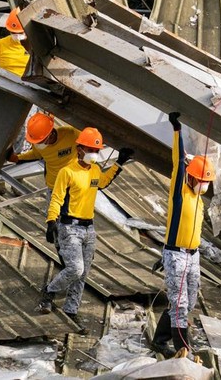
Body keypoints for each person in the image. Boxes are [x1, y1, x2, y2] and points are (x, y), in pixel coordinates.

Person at [37, 127, 133, 329]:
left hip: (89, 228)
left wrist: (119, 163)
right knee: (75, 268)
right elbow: (56, 198)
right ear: (79, 149)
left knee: (83, 273)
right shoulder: (67, 172)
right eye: (90, 149)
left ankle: (71, 309)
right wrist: (51, 221)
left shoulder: (95, 170)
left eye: (96, 150)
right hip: (69, 227)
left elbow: (103, 183)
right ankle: (50, 291)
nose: (94, 154)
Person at [150, 112, 215, 358]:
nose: (203, 185)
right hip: (177, 256)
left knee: (190, 300)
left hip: (192, 256)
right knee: (179, 304)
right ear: (190, 177)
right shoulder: (180, 195)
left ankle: (160, 338)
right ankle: (182, 349)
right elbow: (178, 161)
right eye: (200, 180)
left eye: (206, 181)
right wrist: (177, 130)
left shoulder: (199, 199)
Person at [6, 112, 80, 193]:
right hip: (54, 187)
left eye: (41, 141)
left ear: (50, 134)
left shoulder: (71, 134)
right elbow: (35, 154)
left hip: (72, 185)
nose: (38, 144)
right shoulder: (38, 144)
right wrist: (17, 158)